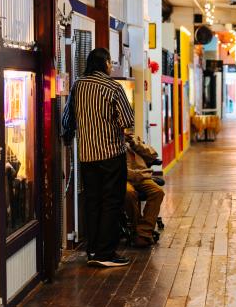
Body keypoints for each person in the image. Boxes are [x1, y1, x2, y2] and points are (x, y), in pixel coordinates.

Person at [62, 47, 134, 267]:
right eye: (110, 63)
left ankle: (92, 250)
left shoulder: (78, 86)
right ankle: (106, 253)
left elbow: (68, 118)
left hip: (86, 155)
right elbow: (128, 122)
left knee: (92, 201)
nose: (111, 67)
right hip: (111, 154)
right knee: (111, 202)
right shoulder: (113, 87)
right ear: (105, 64)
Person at [124, 132, 165, 247]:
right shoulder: (112, 143)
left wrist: (135, 143)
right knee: (128, 193)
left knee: (157, 192)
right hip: (125, 177)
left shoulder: (134, 139)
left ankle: (143, 231)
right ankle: (138, 230)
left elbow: (152, 155)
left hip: (142, 176)